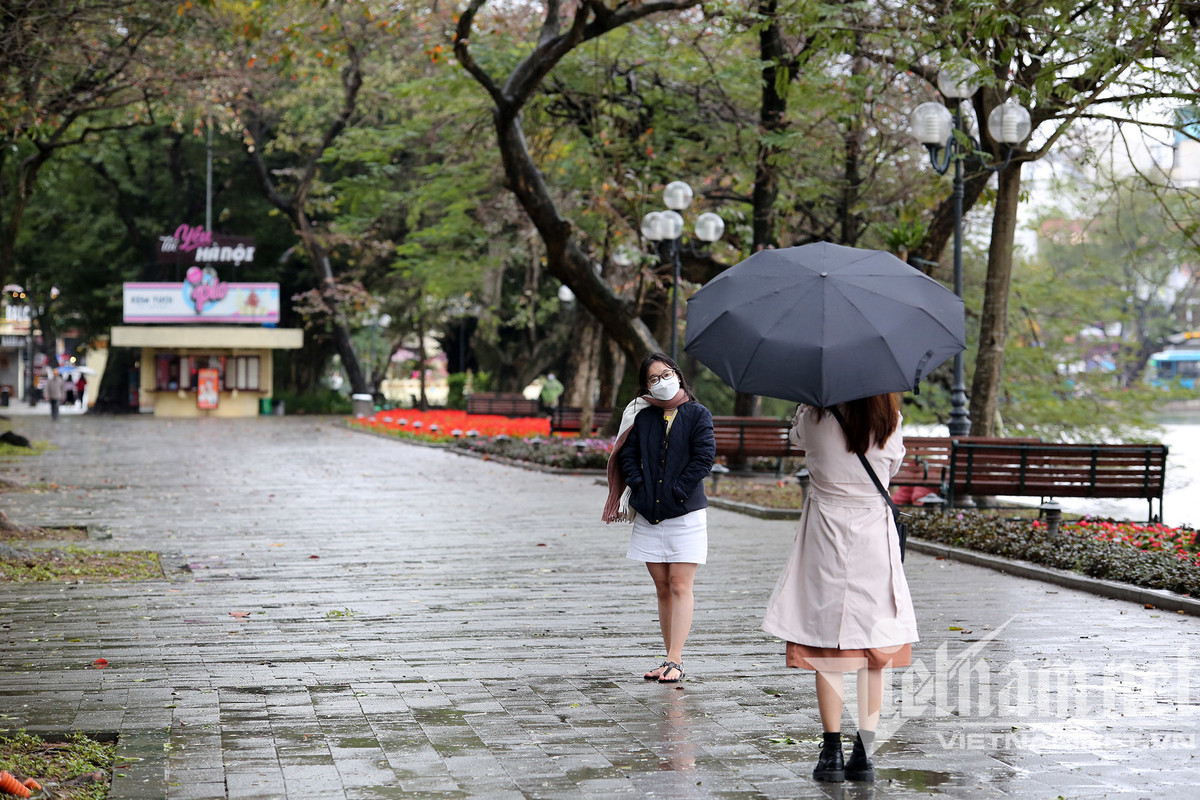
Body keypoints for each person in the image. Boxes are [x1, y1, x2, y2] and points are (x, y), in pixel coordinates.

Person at [761, 393, 916, 783]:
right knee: (874, 649)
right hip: (873, 539)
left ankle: (831, 753)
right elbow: (893, 465)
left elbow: (796, 439)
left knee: (827, 643)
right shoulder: (890, 420)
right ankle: (864, 754)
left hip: (825, 536)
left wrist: (804, 406)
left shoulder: (814, 417)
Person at [603, 353, 715, 684]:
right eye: (653, 378)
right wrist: (640, 487)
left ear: (677, 375)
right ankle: (668, 658)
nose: (661, 382)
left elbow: (704, 457)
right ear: (646, 386)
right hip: (649, 514)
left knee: (680, 584)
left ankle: (676, 660)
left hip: (685, 513)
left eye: (665, 374)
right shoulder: (643, 416)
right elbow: (628, 455)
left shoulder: (697, 414)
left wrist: (677, 491)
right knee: (663, 587)